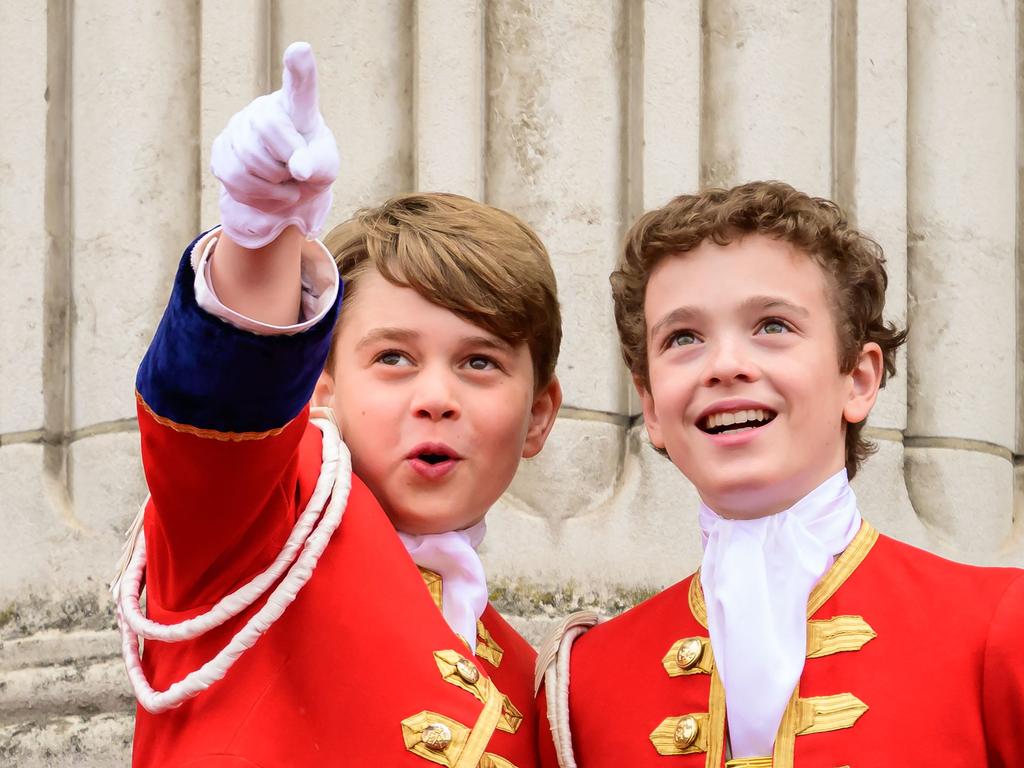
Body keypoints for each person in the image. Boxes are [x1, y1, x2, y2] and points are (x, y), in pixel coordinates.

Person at [113, 42, 561, 767]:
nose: (437, 398)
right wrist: (258, 238)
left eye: (479, 362)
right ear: (320, 385)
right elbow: (225, 404)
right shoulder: (251, 524)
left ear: (538, 414)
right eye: (393, 359)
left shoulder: (530, 682)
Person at [536, 181, 1024, 767]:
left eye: (772, 326)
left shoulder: (998, 626)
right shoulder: (585, 681)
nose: (725, 366)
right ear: (652, 406)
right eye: (683, 337)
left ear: (858, 380)